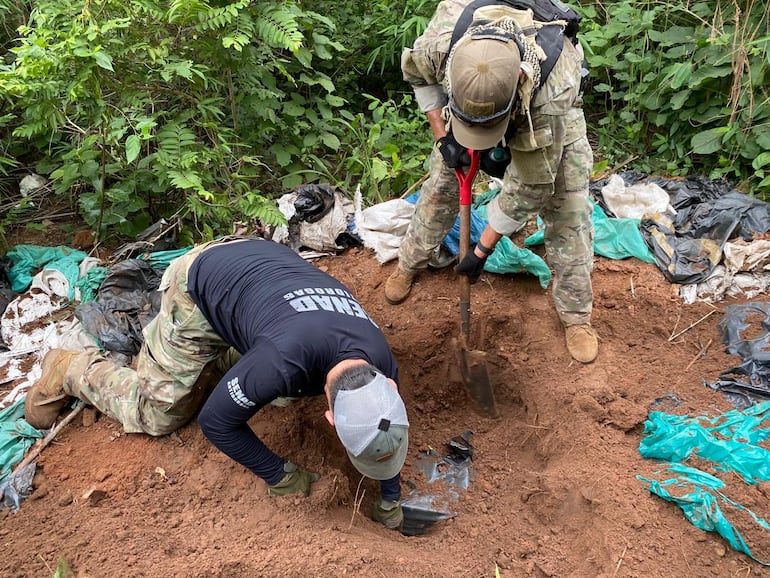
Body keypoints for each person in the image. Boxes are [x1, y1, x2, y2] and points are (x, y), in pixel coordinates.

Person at [24, 238, 409, 529]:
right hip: (200, 284)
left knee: (282, 393)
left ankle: (218, 362)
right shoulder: (281, 365)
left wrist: (391, 498)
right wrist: (279, 474)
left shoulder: (381, 359)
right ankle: (70, 369)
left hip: (265, 268)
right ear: (329, 417)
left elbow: (383, 428)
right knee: (158, 414)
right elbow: (216, 423)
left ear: (389, 389)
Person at [384, 0, 598, 363]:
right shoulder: (442, 40)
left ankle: (577, 316)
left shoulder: (553, 88)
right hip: (468, 108)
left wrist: (481, 250)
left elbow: (529, 188)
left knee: (568, 212)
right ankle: (409, 263)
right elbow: (418, 76)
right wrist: (443, 136)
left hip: (545, 121)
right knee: (439, 188)